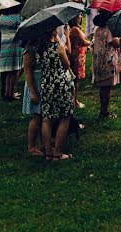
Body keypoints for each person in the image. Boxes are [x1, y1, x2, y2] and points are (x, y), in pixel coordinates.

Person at [38, 25, 75, 161]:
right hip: (60, 83)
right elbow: (66, 65)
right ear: (52, 31)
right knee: (65, 116)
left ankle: (48, 152)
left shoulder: (39, 48)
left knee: (47, 118)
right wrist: (60, 42)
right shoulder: (58, 47)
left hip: (46, 83)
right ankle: (58, 152)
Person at [91, 11, 121, 118]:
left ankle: (102, 109)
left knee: (102, 87)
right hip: (107, 62)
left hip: (98, 61)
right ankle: (104, 111)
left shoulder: (97, 29)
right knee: (107, 88)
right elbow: (116, 43)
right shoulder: (109, 30)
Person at [0, 5, 24, 102]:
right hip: (15, 44)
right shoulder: (17, 17)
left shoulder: (1, 17)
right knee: (15, 70)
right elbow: (21, 30)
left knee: (8, 71)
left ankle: (7, 92)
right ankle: (11, 92)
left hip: (4, 43)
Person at [22, 39, 44, 156]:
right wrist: (32, 91)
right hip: (35, 83)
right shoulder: (29, 49)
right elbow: (27, 71)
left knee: (43, 115)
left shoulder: (43, 44)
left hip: (43, 82)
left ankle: (43, 142)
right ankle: (31, 146)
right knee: (37, 116)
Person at [68, 16, 90, 108]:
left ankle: (74, 100)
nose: (81, 17)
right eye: (79, 15)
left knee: (76, 79)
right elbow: (83, 41)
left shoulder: (74, 29)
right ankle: (74, 101)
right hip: (76, 56)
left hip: (78, 55)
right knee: (75, 79)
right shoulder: (75, 30)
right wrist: (91, 42)